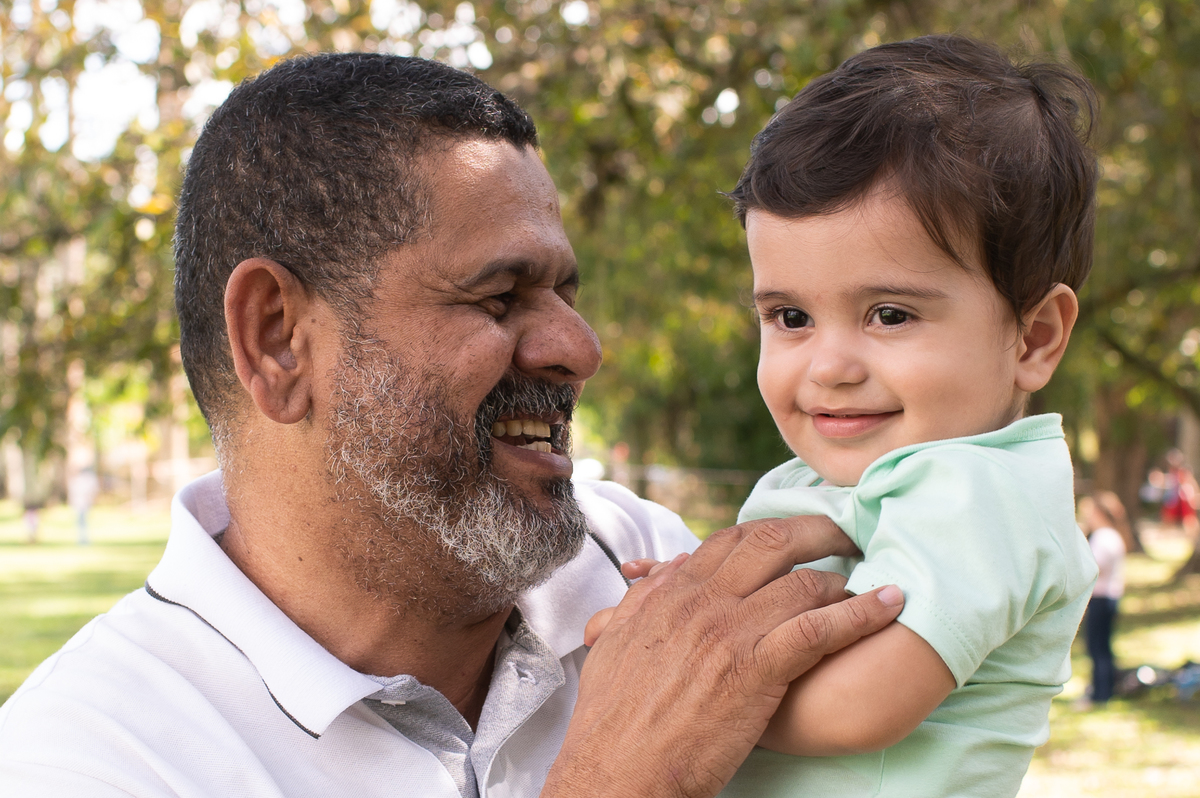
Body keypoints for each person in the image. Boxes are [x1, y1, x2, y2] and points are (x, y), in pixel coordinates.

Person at [0, 53, 906, 797]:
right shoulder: (88, 761)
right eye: (499, 296)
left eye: (566, 294)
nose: (579, 348)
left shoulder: (651, 570)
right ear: (278, 339)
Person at [588, 35, 1100, 797]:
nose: (829, 366)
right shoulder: (834, 481)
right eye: (790, 317)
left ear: (1034, 338)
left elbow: (858, 705)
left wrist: (666, 673)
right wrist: (683, 613)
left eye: (890, 314)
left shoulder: (982, 491)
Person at [1078, 491, 1131, 707]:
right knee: (1102, 646)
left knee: (1097, 647)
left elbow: (1091, 567)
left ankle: (1100, 694)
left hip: (1101, 598)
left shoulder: (1103, 537)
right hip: (1109, 597)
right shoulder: (1112, 535)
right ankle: (1104, 689)